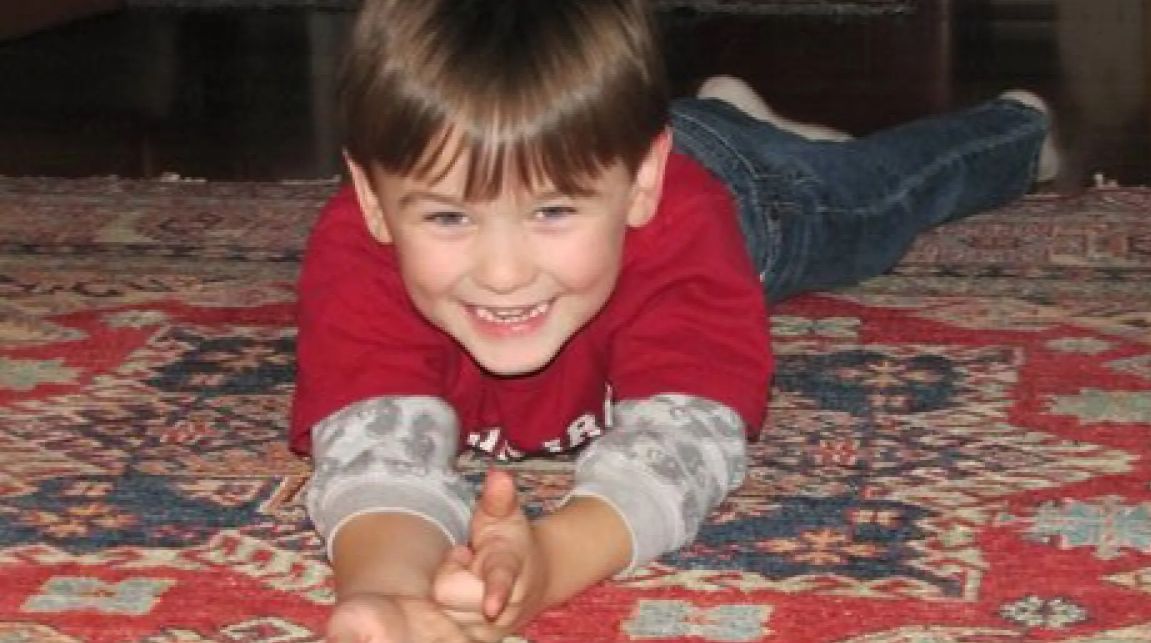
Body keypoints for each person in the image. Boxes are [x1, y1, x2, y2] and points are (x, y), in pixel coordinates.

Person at [290, 0, 1059, 640]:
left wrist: (550, 560)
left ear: (640, 185)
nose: (503, 271)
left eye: (553, 211)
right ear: (370, 200)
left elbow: (685, 442)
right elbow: (374, 460)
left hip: (740, 191)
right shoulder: (354, 249)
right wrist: (390, 593)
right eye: (450, 217)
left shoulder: (684, 225)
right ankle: (723, 118)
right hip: (633, 144)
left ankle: (1010, 132)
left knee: (875, 203)